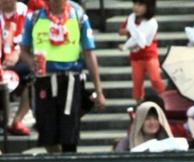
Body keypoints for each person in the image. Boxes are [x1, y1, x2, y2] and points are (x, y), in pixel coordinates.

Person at [19, 0, 106, 153]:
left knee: (69, 135)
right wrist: (31, 62)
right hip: (44, 80)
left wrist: (99, 90)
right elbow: (23, 49)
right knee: (47, 135)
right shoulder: (33, 19)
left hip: (71, 80)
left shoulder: (79, 18)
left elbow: (89, 53)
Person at [119, 0, 165, 103]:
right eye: (135, 4)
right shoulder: (131, 19)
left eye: (140, 5)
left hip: (150, 56)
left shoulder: (151, 23)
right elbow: (121, 31)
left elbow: (146, 41)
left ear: (148, 6)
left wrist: (136, 34)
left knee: (155, 80)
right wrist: (131, 30)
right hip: (136, 58)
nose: (136, 7)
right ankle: (139, 106)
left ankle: (165, 101)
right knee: (137, 84)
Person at [1, 0, 32, 135]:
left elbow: (29, 38)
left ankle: (18, 119)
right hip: (2, 62)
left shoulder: (24, 12)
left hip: (19, 60)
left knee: (30, 72)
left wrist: (18, 52)